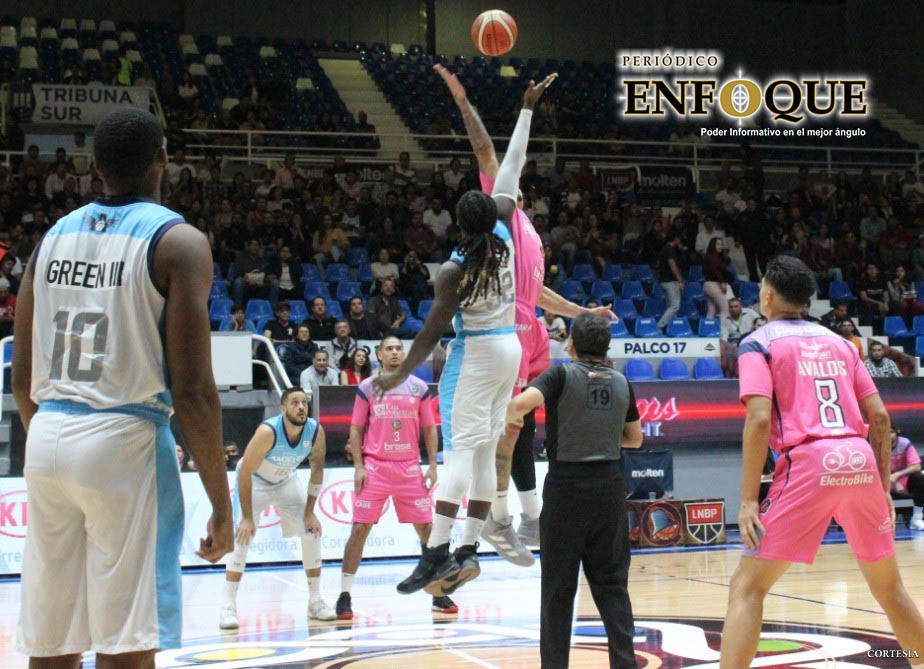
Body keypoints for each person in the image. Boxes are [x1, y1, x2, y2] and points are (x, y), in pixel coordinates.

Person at [13, 108, 233, 666]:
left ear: (94, 166)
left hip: (46, 436)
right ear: (163, 158)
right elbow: (193, 393)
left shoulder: (50, 239)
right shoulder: (179, 242)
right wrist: (221, 502)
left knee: (52, 643)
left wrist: (57, 444)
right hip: (124, 438)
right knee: (127, 644)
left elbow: (20, 377)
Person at [374, 73, 557, 597]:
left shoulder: (453, 271)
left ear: (457, 223)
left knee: (459, 453)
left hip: (476, 355)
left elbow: (431, 335)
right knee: (481, 454)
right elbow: (513, 162)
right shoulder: (504, 232)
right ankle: (469, 549)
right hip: (512, 349)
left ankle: (433, 554)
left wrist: (398, 374)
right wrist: (525, 109)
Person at [435, 64, 614, 566]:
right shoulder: (500, 213)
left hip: (527, 330)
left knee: (520, 429)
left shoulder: (527, 229)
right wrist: (466, 103)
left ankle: (518, 518)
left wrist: (583, 311)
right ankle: (495, 521)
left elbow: (536, 292)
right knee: (504, 432)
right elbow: (487, 153)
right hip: (497, 331)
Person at [719, 255, 924, 667]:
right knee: (890, 590)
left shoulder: (757, 343)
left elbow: (759, 419)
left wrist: (746, 500)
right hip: (859, 460)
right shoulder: (841, 343)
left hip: (809, 463)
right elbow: (880, 418)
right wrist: (882, 486)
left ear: (768, 295)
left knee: (747, 587)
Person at [505, 313, 643, 668]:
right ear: (606, 347)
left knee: (557, 589)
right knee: (613, 586)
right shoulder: (623, 381)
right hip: (610, 488)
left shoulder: (560, 374)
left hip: (566, 488)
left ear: (572, 345)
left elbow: (520, 405)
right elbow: (635, 439)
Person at [337, 337, 457, 619]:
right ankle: (344, 595)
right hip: (375, 468)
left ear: (404, 354)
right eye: (388, 349)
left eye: (398, 348)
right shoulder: (367, 387)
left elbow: (429, 428)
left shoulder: (418, 387)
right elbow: (355, 429)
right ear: (379, 355)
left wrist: (432, 465)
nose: (394, 352)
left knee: (427, 531)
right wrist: (358, 466)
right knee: (359, 530)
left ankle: (438, 593)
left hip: (409, 468)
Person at [219, 387, 335, 628]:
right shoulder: (267, 431)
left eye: (304, 402)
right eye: (294, 403)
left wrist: (310, 512)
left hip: (286, 481)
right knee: (242, 538)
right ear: (283, 409)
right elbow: (244, 472)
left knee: (311, 531)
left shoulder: (315, 431)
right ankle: (228, 606)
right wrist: (248, 517)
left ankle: (315, 601)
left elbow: (317, 471)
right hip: (254, 482)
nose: (301, 407)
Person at [890, 427, 924, 530]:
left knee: (919, 478)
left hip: (903, 480)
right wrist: (894, 482)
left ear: (897, 432)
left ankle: (917, 519)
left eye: (891, 432)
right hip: (884, 481)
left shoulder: (904, 443)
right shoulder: (877, 445)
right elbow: (876, 470)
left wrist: (898, 475)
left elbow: (916, 466)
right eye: (884, 432)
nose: (888, 435)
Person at [656, 228, 686, 329]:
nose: (680, 241)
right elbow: (673, 267)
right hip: (670, 281)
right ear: (676, 238)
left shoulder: (665, 248)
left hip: (663, 281)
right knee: (675, 306)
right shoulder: (670, 250)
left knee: (670, 307)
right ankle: (659, 326)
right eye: (679, 239)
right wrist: (680, 281)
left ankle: (672, 328)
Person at [702, 237, 730, 318]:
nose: (720, 246)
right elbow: (715, 271)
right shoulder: (713, 257)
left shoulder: (709, 256)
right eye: (718, 244)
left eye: (721, 244)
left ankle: (707, 329)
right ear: (712, 245)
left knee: (712, 310)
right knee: (725, 309)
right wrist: (722, 282)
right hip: (714, 285)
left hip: (707, 285)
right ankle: (723, 330)